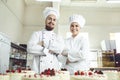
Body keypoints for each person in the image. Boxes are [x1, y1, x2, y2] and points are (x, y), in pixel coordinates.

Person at [27, 7, 64, 73]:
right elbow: (30, 48)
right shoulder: (36, 34)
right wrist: (47, 50)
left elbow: (60, 49)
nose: (52, 21)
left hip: (53, 69)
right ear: (45, 20)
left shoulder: (58, 37)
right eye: (49, 19)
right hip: (38, 70)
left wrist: (43, 45)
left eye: (54, 20)